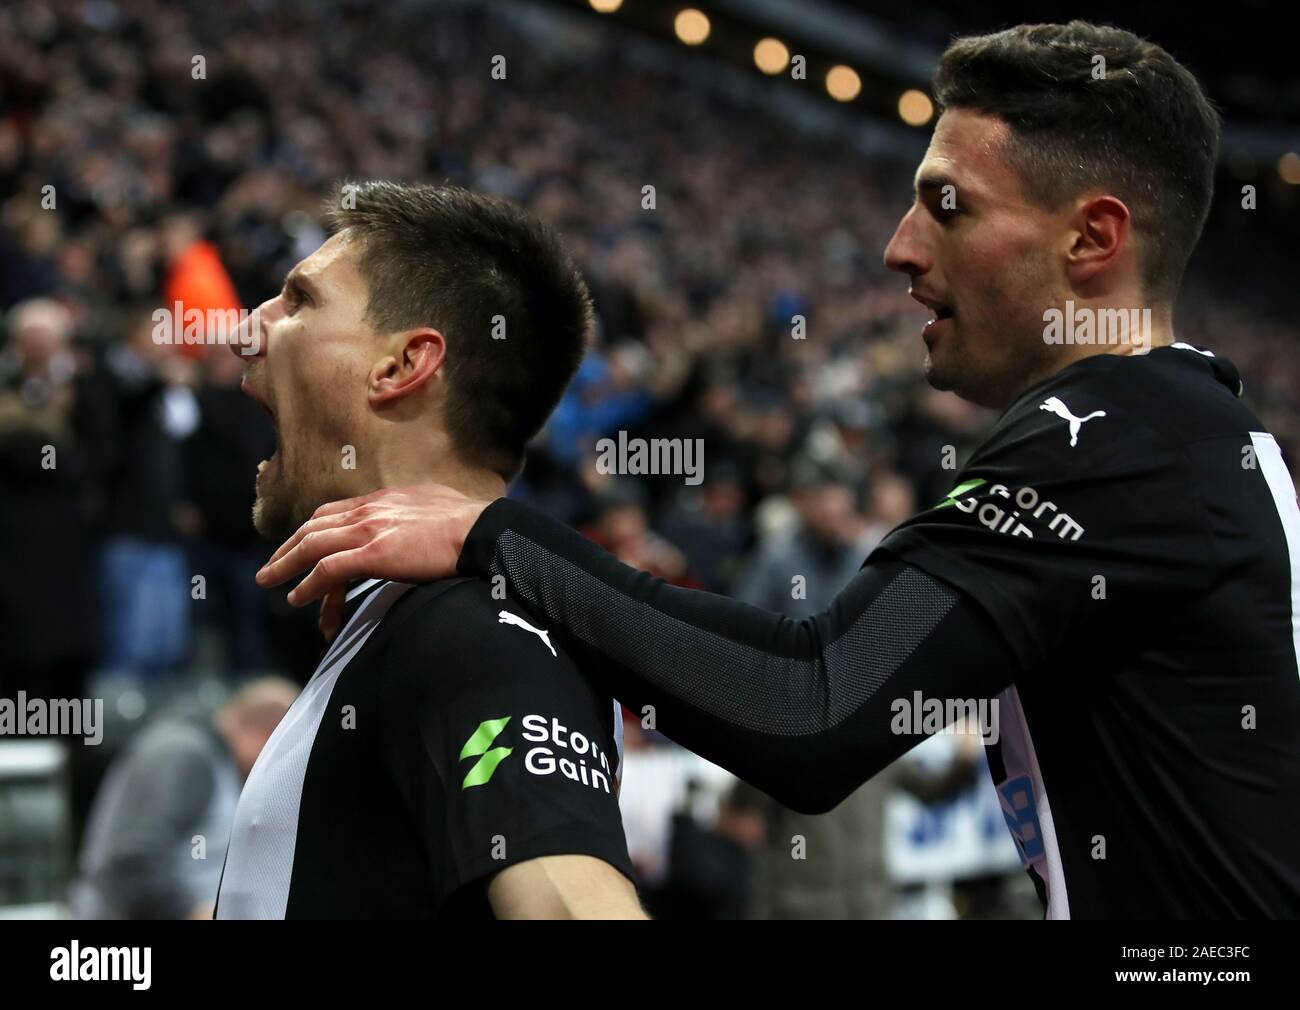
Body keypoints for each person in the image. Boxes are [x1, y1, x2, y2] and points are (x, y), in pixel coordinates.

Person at [258, 23, 1300, 919]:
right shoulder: (1192, 426)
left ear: (1093, 237)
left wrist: (496, 536)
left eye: (947, 206)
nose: (897, 248)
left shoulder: (1109, 431)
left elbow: (810, 704)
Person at [215, 181, 642, 919]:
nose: (247, 328)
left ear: (402, 365)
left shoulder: (475, 626)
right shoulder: (417, 613)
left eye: (300, 300)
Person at [70, 678, 298, 919]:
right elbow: (131, 861)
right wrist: (192, 912)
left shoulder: (215, 760)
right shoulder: (183, 752)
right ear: (266, 733)